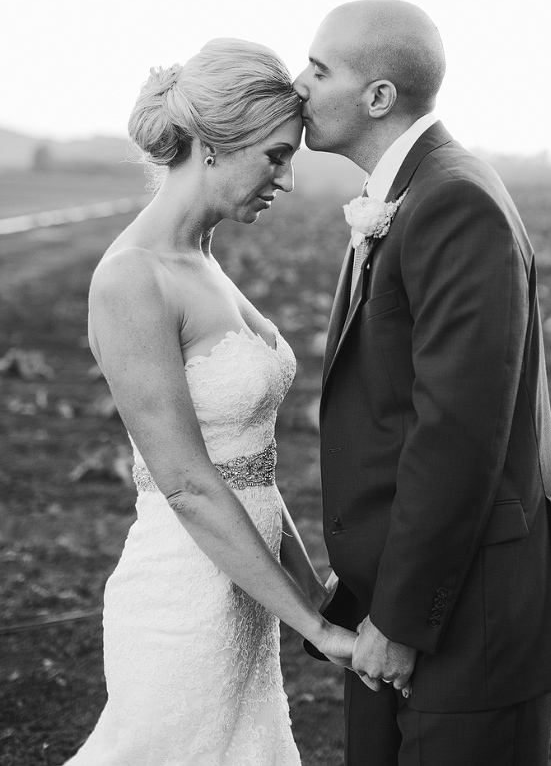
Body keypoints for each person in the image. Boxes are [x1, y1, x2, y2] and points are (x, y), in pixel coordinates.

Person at [294, 0, 551, 766]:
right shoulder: (407, 195)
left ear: (377, 97)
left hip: (468, 617)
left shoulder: (453, 200)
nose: (298, 84)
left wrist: (401, 624)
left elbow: (459, 435)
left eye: (317, 68)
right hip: (402, 604)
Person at [69, 39, 357, 765]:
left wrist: (309, 598)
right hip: (180, 599)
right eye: (275, 155)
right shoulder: (131, 279)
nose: (286, 180)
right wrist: (315, 628)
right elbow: (191, 483)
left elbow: (247, 468)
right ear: (211, 146)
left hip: (241, 596)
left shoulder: (202, 260)